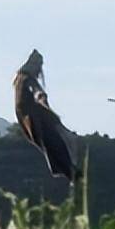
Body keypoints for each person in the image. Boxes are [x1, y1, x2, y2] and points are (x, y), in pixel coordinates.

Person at [14, 49, 79, 182]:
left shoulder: (19, 81)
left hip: (32, 118)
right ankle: (71, 171)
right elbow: (36, 92)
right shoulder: (27, 79)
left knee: (55, 143)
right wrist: (41, 98)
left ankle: (70, 170)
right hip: (36, 117)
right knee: (56, 142)